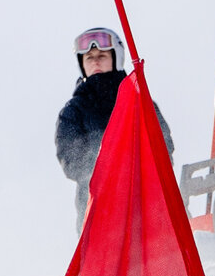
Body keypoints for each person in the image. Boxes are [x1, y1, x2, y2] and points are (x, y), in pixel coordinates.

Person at [55, 27, 175, 231]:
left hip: (147, 207)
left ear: (115, 58)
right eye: (89, 57)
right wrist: (107, 169)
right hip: (100, 220)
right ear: (82, 64)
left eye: (102, 55)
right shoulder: (73, 112)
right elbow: (71, 162)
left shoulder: (139, 100)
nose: (95, 61)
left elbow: (163, 146)